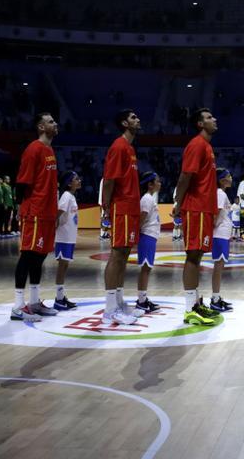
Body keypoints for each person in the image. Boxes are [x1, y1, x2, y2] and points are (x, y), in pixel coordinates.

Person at [171, 108, 224, 326]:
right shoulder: (196, 145)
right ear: (200, 124)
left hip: (204, 208)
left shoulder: (207, 147)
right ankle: (189, 309)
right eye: (209, 117)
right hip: (195, 208)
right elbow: (185, 176)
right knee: (192, 257)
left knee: (198, 256)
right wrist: (178, 203)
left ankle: (196, 303)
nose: (214, 119)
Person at [11, 113, 61, 323]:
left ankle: (33, 302)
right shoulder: (34, 149)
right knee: (28, 256)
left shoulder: (49, 150)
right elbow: (22, 183)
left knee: (39, 257)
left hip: (47, 213)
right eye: (50, 121)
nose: (55, 124)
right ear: (41, 127)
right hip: (35, 212)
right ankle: (17, 307)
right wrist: (19, 210)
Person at [101, 109, 144, 326]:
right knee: (117, 254)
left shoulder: (130, 148)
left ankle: (118, 302)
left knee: (125, 255)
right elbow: (109, 180)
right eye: (134, 117)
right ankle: (109, 309)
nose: (138, 120)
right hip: (121, 208)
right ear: (124, 122)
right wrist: (106, 207)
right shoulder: (118, 146)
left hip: (130, 208)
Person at [134, 171, 163, 314]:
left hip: (151, 237)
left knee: (147, 268)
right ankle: (141, 301)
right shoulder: (146, 199)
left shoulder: (150, 198)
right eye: (157, 181)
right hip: (147, 236)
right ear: (150, 184)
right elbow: (142, 218)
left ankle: (143, 299)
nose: (160, 183)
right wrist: (134, 236)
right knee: (145, 268)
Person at [52, 170, 81, 311]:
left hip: (69, 237)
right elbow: (59, 210)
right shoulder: (66, 195)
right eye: (76, 179)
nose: (79, 180)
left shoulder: (71, 196)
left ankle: (61, 297)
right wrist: (54, 224)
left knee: (65, 266)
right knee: (62, 267)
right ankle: (58, 299)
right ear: (69, 183)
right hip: (63, 237)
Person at [210, 168, 235, 313]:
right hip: (219, 235)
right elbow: (216, 213)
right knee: (218, 267)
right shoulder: (220, 193)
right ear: (221, 180)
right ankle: (214, 299)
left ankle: (217, 297)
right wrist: (213, 227)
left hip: (223, 234)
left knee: (220, 267)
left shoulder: (221, 193)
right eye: (228, 176)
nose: (231, 178)